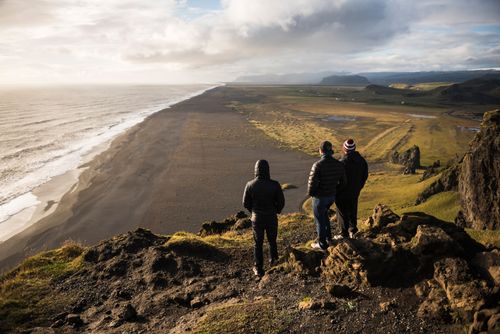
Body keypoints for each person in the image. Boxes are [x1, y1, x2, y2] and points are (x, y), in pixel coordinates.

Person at [243, 160, 285, 277]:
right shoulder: (275, 184)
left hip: (257, 219)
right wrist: (276, 210)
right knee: (272, 241)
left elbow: (245, 203)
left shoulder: (250, 185)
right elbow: (281, 202)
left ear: (256, 170)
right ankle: (274, 263)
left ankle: (258, 268)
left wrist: (253, 212)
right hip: (271, 217)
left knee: (258, 243)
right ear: (268, 169)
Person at [308, 141, 347, 250]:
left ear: (321, 151)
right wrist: (334, 191)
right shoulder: (339, 164)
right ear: (331, 151)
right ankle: (329, 239)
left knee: (319, 220)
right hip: (331, 197)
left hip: (320, 198)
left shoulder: (318, 165)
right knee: (324, 216)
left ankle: (322, 245)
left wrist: (313, 194)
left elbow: (311, 185)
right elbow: (343, 183)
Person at [335, 139, 368, 239]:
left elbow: (337, 179)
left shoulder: (341, 163)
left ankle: (343, 233)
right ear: (354, 149)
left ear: (344, 149)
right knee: (353, 209)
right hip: (355, 191)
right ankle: (353, 230)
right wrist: (359, 187)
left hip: (342, 192)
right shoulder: (362, 161)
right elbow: (364, 175)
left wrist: (337, 190)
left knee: (342, 211)